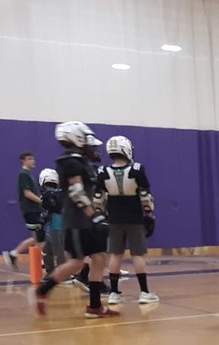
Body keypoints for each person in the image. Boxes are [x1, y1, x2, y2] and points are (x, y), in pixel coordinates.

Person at [33, 121, 117, 318]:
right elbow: (77, 193)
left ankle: (95, 306)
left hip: (85, 220)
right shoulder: (70, 162)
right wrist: (94, 216)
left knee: (99, 258)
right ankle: (43, 290)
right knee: (76, 264)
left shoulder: (79, 161)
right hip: (78, 221)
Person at [96, 135, 159, 305]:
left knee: (115, 255)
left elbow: (98, 199)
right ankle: (144, 292)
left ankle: (114, 293)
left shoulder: (102, 171)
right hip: (134, 218)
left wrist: (100, 217)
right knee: (137, 255)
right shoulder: (137, 169)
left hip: (114, 219)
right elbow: (145, 196)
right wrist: (149, 215)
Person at [2, 151, 42, 270]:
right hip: (31, 210)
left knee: (38, 237)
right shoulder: (23, 174)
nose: (32, 161)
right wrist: (41, 201)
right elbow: (27, 193)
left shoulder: (28, 174)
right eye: (29, 159)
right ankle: (41, 264)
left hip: (35, 209)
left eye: (33, 158)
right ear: (23, 161)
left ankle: (14, 254)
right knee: (39, 237)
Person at [38, 168, 68, 274]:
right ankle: (51, 273)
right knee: (47, 251)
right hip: (51, 226)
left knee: (58, 252)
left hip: (57, 226)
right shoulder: (54, 194)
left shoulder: (51, 195)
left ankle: (63, 274)